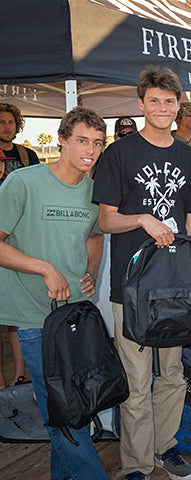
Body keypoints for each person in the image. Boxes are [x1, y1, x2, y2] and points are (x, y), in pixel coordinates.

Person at [92, 66, 191, 480]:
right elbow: (107, 221)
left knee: (175, 375)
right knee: (136, 379)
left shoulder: (189, 156)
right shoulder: (119, 154)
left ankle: (165, 448)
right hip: (132, 288)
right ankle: (137, 464)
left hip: (180, 285)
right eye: (154, 101)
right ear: (141, 104)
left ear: (178, 106)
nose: (162, 108)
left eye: (169, 101)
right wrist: (144, 218)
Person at [0, 106, 108, 479]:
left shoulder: (96, 192)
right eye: (81, 140)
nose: (90, 150)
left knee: (68, 406)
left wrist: (91, 271)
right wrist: (45, 268)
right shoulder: (23, 182)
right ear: (61, 140)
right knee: (63, 412)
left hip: (75, 316)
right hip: (33, 316)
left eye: (97, 142)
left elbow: (95, 235)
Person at [0, 103, 38, 390]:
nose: (6, 126)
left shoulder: (28, 155)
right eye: (1, 122)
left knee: (17, 314)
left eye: (10, 122)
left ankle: (20, 374)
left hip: (21, 240)